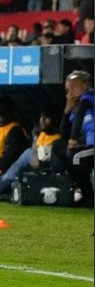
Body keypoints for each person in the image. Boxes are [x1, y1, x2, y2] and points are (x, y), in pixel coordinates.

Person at [0, 105, 62, 200]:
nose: (42, 120)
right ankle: (4, 185)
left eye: (46, 118)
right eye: (41, 117)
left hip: (46, 172)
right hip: (34, 168)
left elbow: (47, 161)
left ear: (56, 121)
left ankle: (3, 185)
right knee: (26, 156)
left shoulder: (57, 139)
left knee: (28, 153)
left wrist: (38, 160)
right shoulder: (42, 134)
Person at [61, 71, 94, 207]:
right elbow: (63, 133)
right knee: (58, 147)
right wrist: (66, 111)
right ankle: (60, 189)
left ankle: (89, 196)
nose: (71, 92)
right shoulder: (75, 108)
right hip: (89, 147)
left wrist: (73, 140)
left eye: (74, 87)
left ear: (85, 85)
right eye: (68, 90)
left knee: (75, 158)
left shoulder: (90, 96)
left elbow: (81, 113)